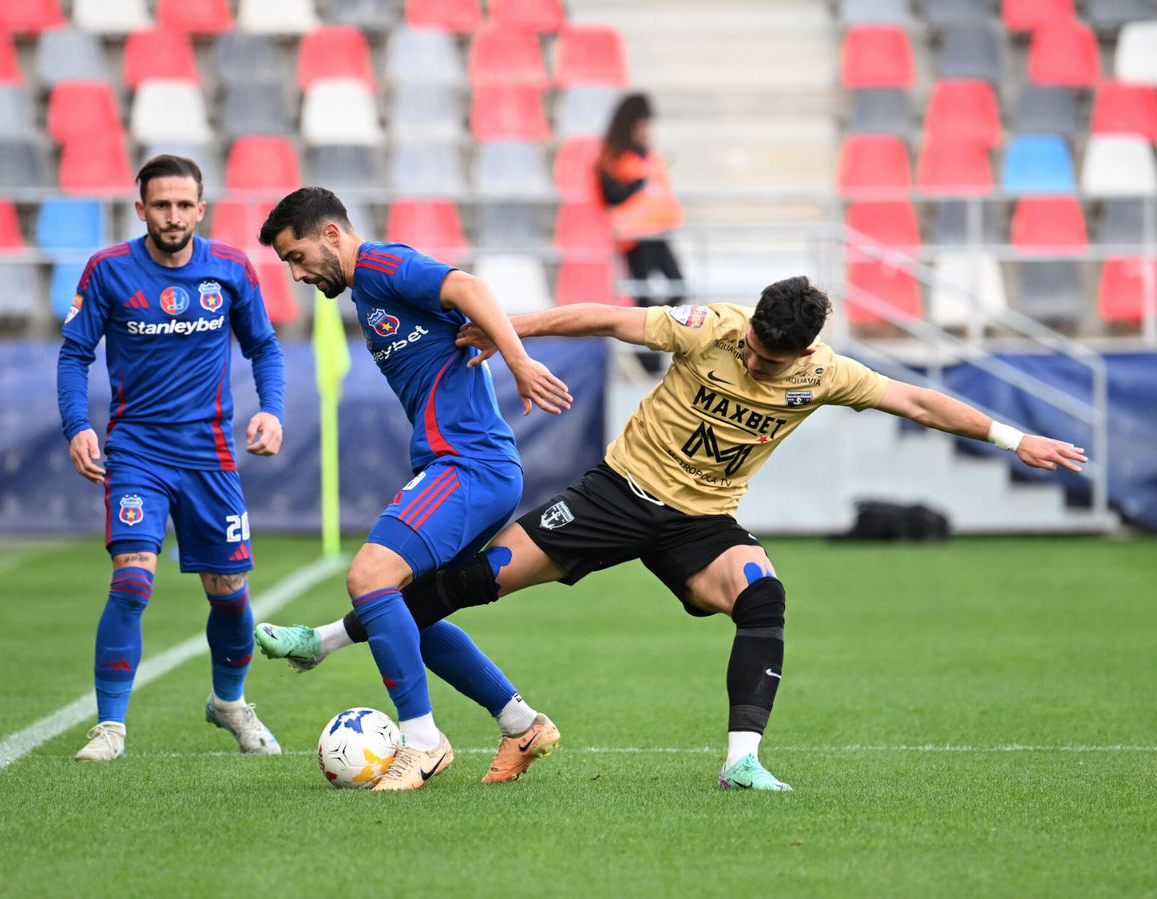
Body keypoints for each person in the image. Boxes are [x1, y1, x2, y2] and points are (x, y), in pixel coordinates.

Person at [255, 276, 1088, 791]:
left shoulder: (826, 373)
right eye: (755, 348)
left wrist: (1016, 440)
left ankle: (741, 759)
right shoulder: (711, 326)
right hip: (615, 495)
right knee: (461, 588)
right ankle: (324, 640)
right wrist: (509, 333)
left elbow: (917, 400)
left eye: (773, 359)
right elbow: (607, 318)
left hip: (701, 521)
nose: (758, 364)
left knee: (763, 593)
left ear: (805, 352)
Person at [254, 187, 573, 790]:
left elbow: (472, 289)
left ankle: (422, 741)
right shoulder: (366, 292)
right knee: (410, 617)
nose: (295, 275)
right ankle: (522, 724)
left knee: (369, 578)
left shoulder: (381, 265)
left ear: (330, 235)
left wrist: (519, 361)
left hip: (469, 463)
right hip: (464, 464)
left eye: (296, 257)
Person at [57, 155, 287, 762]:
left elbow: (264, 346)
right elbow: (73, 355)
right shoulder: (108, 271)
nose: (173, 216)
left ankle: (230, 704)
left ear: (200, 209)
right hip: (136, 453)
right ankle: (110, 728)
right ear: (141, 210)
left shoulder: (231, 268)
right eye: (161, 205)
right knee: (133, 581)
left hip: (210, 457)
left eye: (184, 205)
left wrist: (273, 410)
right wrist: (78, 425)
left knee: (230, 593)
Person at [596, 93, 685, 311]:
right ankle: (644, 339)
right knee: (642, 295)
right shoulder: (615, 156)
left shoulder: (646, 154)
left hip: (657, 232)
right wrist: (640, 182)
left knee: (678, 287)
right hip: (635, 237)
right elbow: (611, 194)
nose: (646, 130)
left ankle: (657, 332)